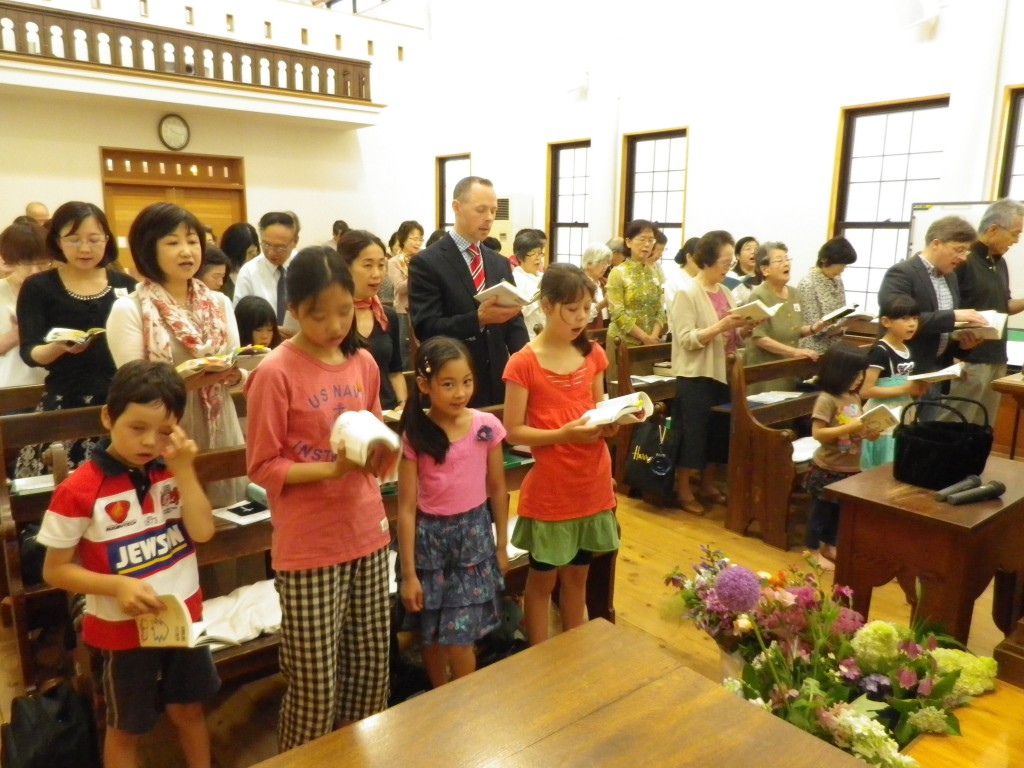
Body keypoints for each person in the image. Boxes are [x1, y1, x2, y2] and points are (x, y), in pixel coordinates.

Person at [245, 246, 395, 751]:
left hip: (368, 532)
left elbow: (375, 431)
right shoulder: (275, 372)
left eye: (344, 310)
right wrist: (331, 468)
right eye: (318, 314)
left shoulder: (364, 362)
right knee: (314, 685)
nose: (334, 325)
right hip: (310, 546)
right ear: (292, 308)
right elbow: (263, 466)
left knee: (371, 668)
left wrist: (381, 451)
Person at [37, 360, 218, 768]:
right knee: (126, 728)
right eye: (137, 427)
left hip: (184, 617)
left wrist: (185, 471)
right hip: (122, 631)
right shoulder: (79, 489)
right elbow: (54, 570)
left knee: (190, 710)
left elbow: (204, 532)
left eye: (165, 430)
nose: (150, 441)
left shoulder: (173, 471)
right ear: (108, 415)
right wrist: (117, 586)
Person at [503, 263, 620, 645]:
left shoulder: (593, 354)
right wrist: (562, 434)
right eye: (572, 310)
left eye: (587, 308)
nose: (582, 317)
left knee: (578, 576)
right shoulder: (523, 362)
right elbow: (513, 430)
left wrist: (611, 423)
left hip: (592, 480)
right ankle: (540, 656)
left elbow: (599, 408)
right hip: (553, 488)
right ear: (548, 306)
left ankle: (573, 652)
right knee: (542, 580)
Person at [107, 202, 246, 507]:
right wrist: (193, 382)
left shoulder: (219, 303)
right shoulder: (130, 309)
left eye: (193, 241)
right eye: (173, 242)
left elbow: (235, 370)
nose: (186, 251)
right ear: (148, 249)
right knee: (171, 526)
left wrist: (237, 374)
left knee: (228, 521)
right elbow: (136, 391)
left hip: (220, 426)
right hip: (163, 434)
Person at [396, 337, 508, 687]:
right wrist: (409, 574)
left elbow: (498, 488)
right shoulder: (416, 435)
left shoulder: (484, 426)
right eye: (448, 384)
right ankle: (440, 699)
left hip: (473, 539)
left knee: (460, 637)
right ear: (424, 386)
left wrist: (501, 543)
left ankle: (466, 702)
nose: (460, 393)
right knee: (431, 635)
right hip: (429, 543)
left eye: (466, 382)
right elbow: (406, 508)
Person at [16, 201, 136, 475]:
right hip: (64, 399)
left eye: (94, 240)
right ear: (58, 241)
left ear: (107, 240)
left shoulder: (125, 284)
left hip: (118, 400)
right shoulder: (38, 287)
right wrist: (58, 348)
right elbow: (29, 352)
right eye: (74, 240)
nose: (85, 248)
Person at [409, 176, 529, 407]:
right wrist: (478, 319)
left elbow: (514, 321)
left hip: (497, 379)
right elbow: (427, 327)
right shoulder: (428, 262)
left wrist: (525, 361)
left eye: (493, 210)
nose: (489, 218)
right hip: (453, 382)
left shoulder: (498, 262)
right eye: (481, 210)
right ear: (457, 207)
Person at [669, 230, 755, 515]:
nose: (729, 268)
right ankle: (683, 490)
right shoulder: (687, 293)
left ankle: (707, 485)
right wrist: (721, 326)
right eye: (725, 262)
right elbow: (685, 339)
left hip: (724, 371)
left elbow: (733, 336)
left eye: (731, 262)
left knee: (718, 433)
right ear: (706, 261)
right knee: (692, 434)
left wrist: (744, 328)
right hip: (696, 375)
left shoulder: (726, 291)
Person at [877, 215, 987, 379]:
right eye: (959, 250)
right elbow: (896, 320)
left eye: (966, 251)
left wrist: (963, 344)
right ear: (936, 244)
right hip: (904, 370)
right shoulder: (902, 273)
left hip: (938, 369)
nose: (964, 257)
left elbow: (942, 329)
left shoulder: (951, 277)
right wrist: (953, 316)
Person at [948, 199, 1024, 424]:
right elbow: (948, 310)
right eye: (1014, 233)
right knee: (955, 424)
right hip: (968, 358)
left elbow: (1004, 307)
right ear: (993, 230)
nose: (1016, 240)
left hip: (996, 357)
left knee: (982, 428)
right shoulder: (963, 260)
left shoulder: (1000, 263)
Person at [804, 344, 879, 570]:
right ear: (840, 373)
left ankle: (830, 546)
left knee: (839, 513)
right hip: (828, 467)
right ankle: (812, 550)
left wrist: (869, 431)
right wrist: (852, 427)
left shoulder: (853, 397)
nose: (860, 379)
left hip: (850, 467)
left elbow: (858, 426)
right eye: (856, 374)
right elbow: (818, 433)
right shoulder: (827, 399)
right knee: (821, 513)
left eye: (862, 374)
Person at [336, 229, 408, 412]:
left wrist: (403, 405)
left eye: (381, 265)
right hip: (347, 414)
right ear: (345, 267)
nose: (377, 274)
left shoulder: (386, 315)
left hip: (386, 412)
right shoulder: (332, 318)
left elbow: (395, 371)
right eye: (368, 265)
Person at [859, 295, 929, 470]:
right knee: (884, 464)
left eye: (914, 318)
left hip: (904, 410)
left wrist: (918, 388)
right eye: (904, 318)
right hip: (883, 414)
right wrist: (904, 389)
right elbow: (866, 391)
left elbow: (906, 384)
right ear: (886, 322)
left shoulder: (907, 349)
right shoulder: (880, 351)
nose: (912, 324)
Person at [744, 241, 823, 392]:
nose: (786, 263)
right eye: (779, 260)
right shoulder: (758, 295)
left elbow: (795, 329)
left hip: (787, 367)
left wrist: (814, 328)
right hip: (764, 369)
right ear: (765, 269)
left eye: (787, 259)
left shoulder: (794, 293)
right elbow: (759, 338)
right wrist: (794, 352)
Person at [604, 219, 667, 391]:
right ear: (629, 242)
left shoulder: (654, 272)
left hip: (648, 345)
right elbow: (618, 313)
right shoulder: (618, 273)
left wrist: (653, 337)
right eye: (642, 239)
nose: (647, 244)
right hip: (622, 343)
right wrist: (645, 337)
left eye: (651, 240)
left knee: (646, 396)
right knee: (623, 396)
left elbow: (660, 309)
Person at [0, 223, 50, 389]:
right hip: (8, 391)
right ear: (9, 260)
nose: (35, 271)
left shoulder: (54, 292)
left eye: (43, 262)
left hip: (51, 387)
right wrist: (16, 335)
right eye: (26, 262)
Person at [233, 211, 297, 337]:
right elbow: (240, 318)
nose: (272, 252)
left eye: (280, 247)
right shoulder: (249, 272)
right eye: (266, 244)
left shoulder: (305, 267)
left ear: (294, 242)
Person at [797, 236, 859, 355]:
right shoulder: (808, 284)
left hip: (835, 346)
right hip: (814, 348)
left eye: (845, 265)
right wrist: (834, 328)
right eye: (841, 264)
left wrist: (846, 323)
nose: (843, 269)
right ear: (825, 260)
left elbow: (842, 311)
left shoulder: (838, 281)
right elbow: (811, 325)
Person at [388, 219, 423, 369]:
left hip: (422, 308)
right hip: (403, 311)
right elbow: (400, 288)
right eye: (414, 239)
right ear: (402, 239)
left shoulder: (424, 259)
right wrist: (417, 275)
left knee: (422, 346)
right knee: (404, 347)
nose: (418, 243)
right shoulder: (394, 262)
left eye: (420, 239)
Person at [511, 228, 547, 339]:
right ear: (520, 257)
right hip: (529, 335)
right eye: (532, 254)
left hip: (546, 333)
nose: (538, 258)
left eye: (540, 253)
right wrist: (541, 295)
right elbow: (521, 310)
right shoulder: (515, 279)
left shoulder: (542, 276)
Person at [663, 236, 700, 330]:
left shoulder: (702, 279)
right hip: (680, 332)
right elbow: (676, 313)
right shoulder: (674, 281)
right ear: (689, 257)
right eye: (701, 258)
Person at [219, 222, 261, 299]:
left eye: (256, 253)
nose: (253, 258)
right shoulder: (221, 276)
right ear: (235, 252)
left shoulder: (259, 272)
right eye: (250, 253)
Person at [580, 242, 612, 328]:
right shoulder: (579, 284)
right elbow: (580, 315)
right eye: (602, 263)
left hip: (606, 328)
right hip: (587, 331)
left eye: (607, 262)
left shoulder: (606, 282)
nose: (605, 266)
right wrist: (603, 304)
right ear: (589, 263)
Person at [724, 235, 759, 303]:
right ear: (738, 256)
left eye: (756, 248)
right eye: (748, 249)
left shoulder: (765, 275)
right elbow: (733, 303)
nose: (753, 252)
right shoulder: (732, 277)